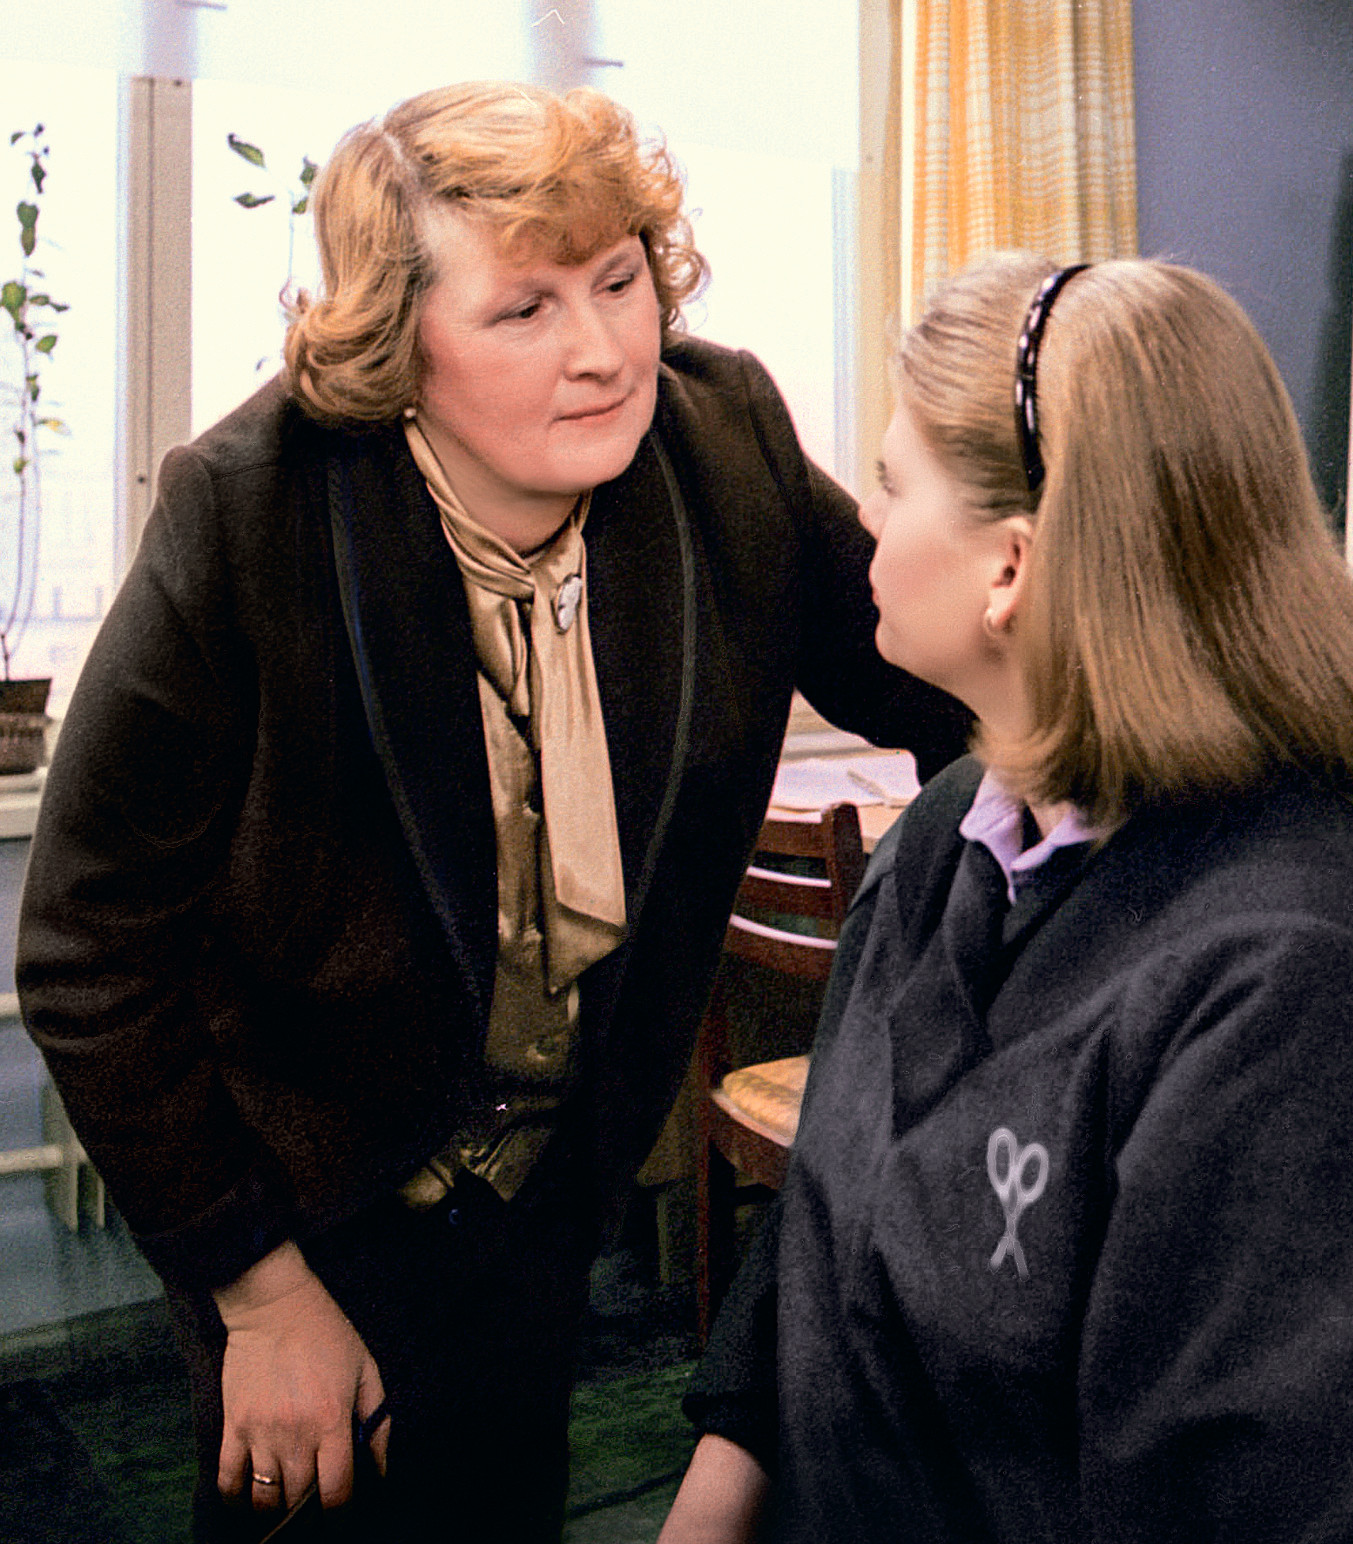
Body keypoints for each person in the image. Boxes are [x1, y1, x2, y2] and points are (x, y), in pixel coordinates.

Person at [15, 81, 970, 1543]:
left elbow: (954, 681)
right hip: (306, 1206)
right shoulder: (250, 510)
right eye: (523, 309)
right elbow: (86, 949)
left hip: (552, 1197)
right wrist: (257, 1295)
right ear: (397, 344)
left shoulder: (726, 446)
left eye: (618, 281)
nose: (604, 351)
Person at [659, 251, 1353, 1543]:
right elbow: (821, 1236)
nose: (866, 522)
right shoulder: (942, 837)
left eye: (890, 482)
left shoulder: (1280, 978)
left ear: (1011, 568)